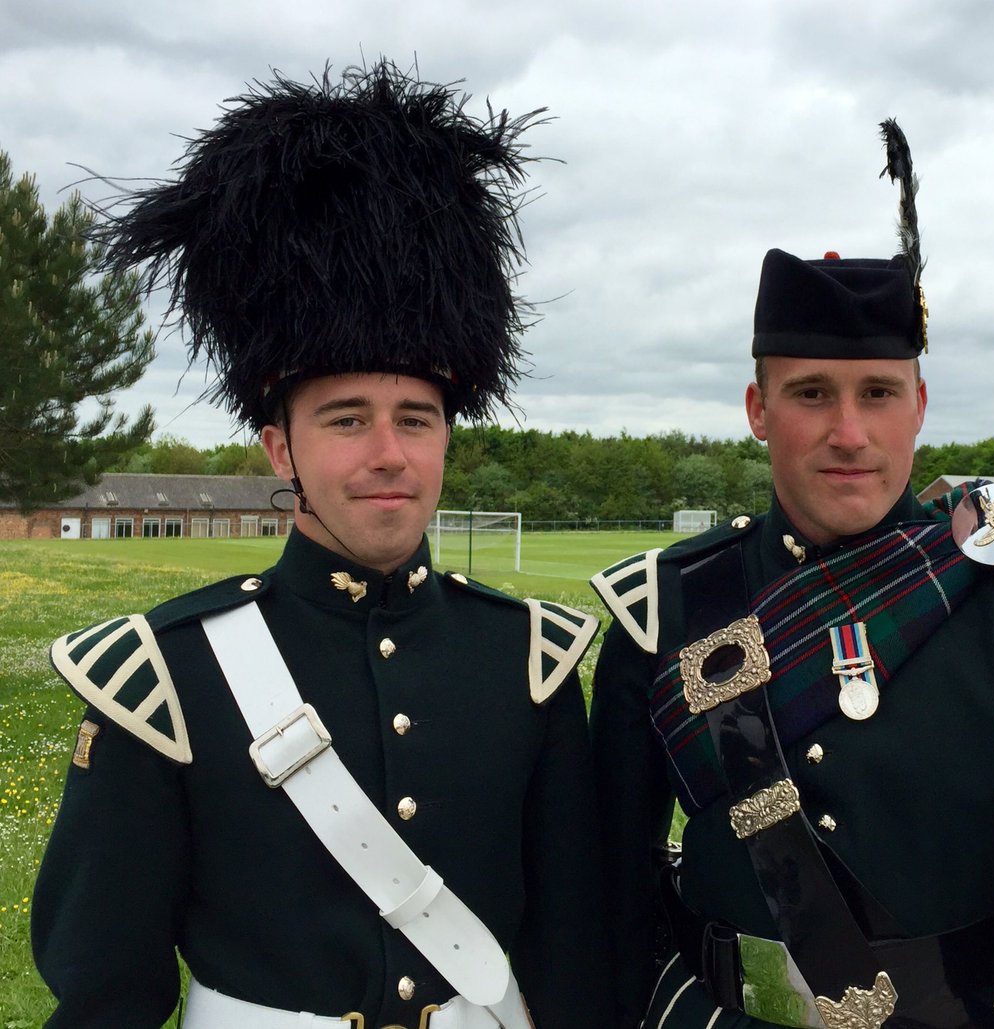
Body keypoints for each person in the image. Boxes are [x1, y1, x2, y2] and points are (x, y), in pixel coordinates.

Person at [33, 59, 611, 1029]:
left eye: (416, 419)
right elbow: (105, 993)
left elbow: (575, 960)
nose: (389, 455)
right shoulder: (163, 679)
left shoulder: (529, 663)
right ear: (278, 447)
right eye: (346, 420)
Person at [588, 121, 994, 1029]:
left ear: (921, 405)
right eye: (812, 392)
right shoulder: (663, 612)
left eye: (878, 393)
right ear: (757, 409)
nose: (850, 433)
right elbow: (610, 912)